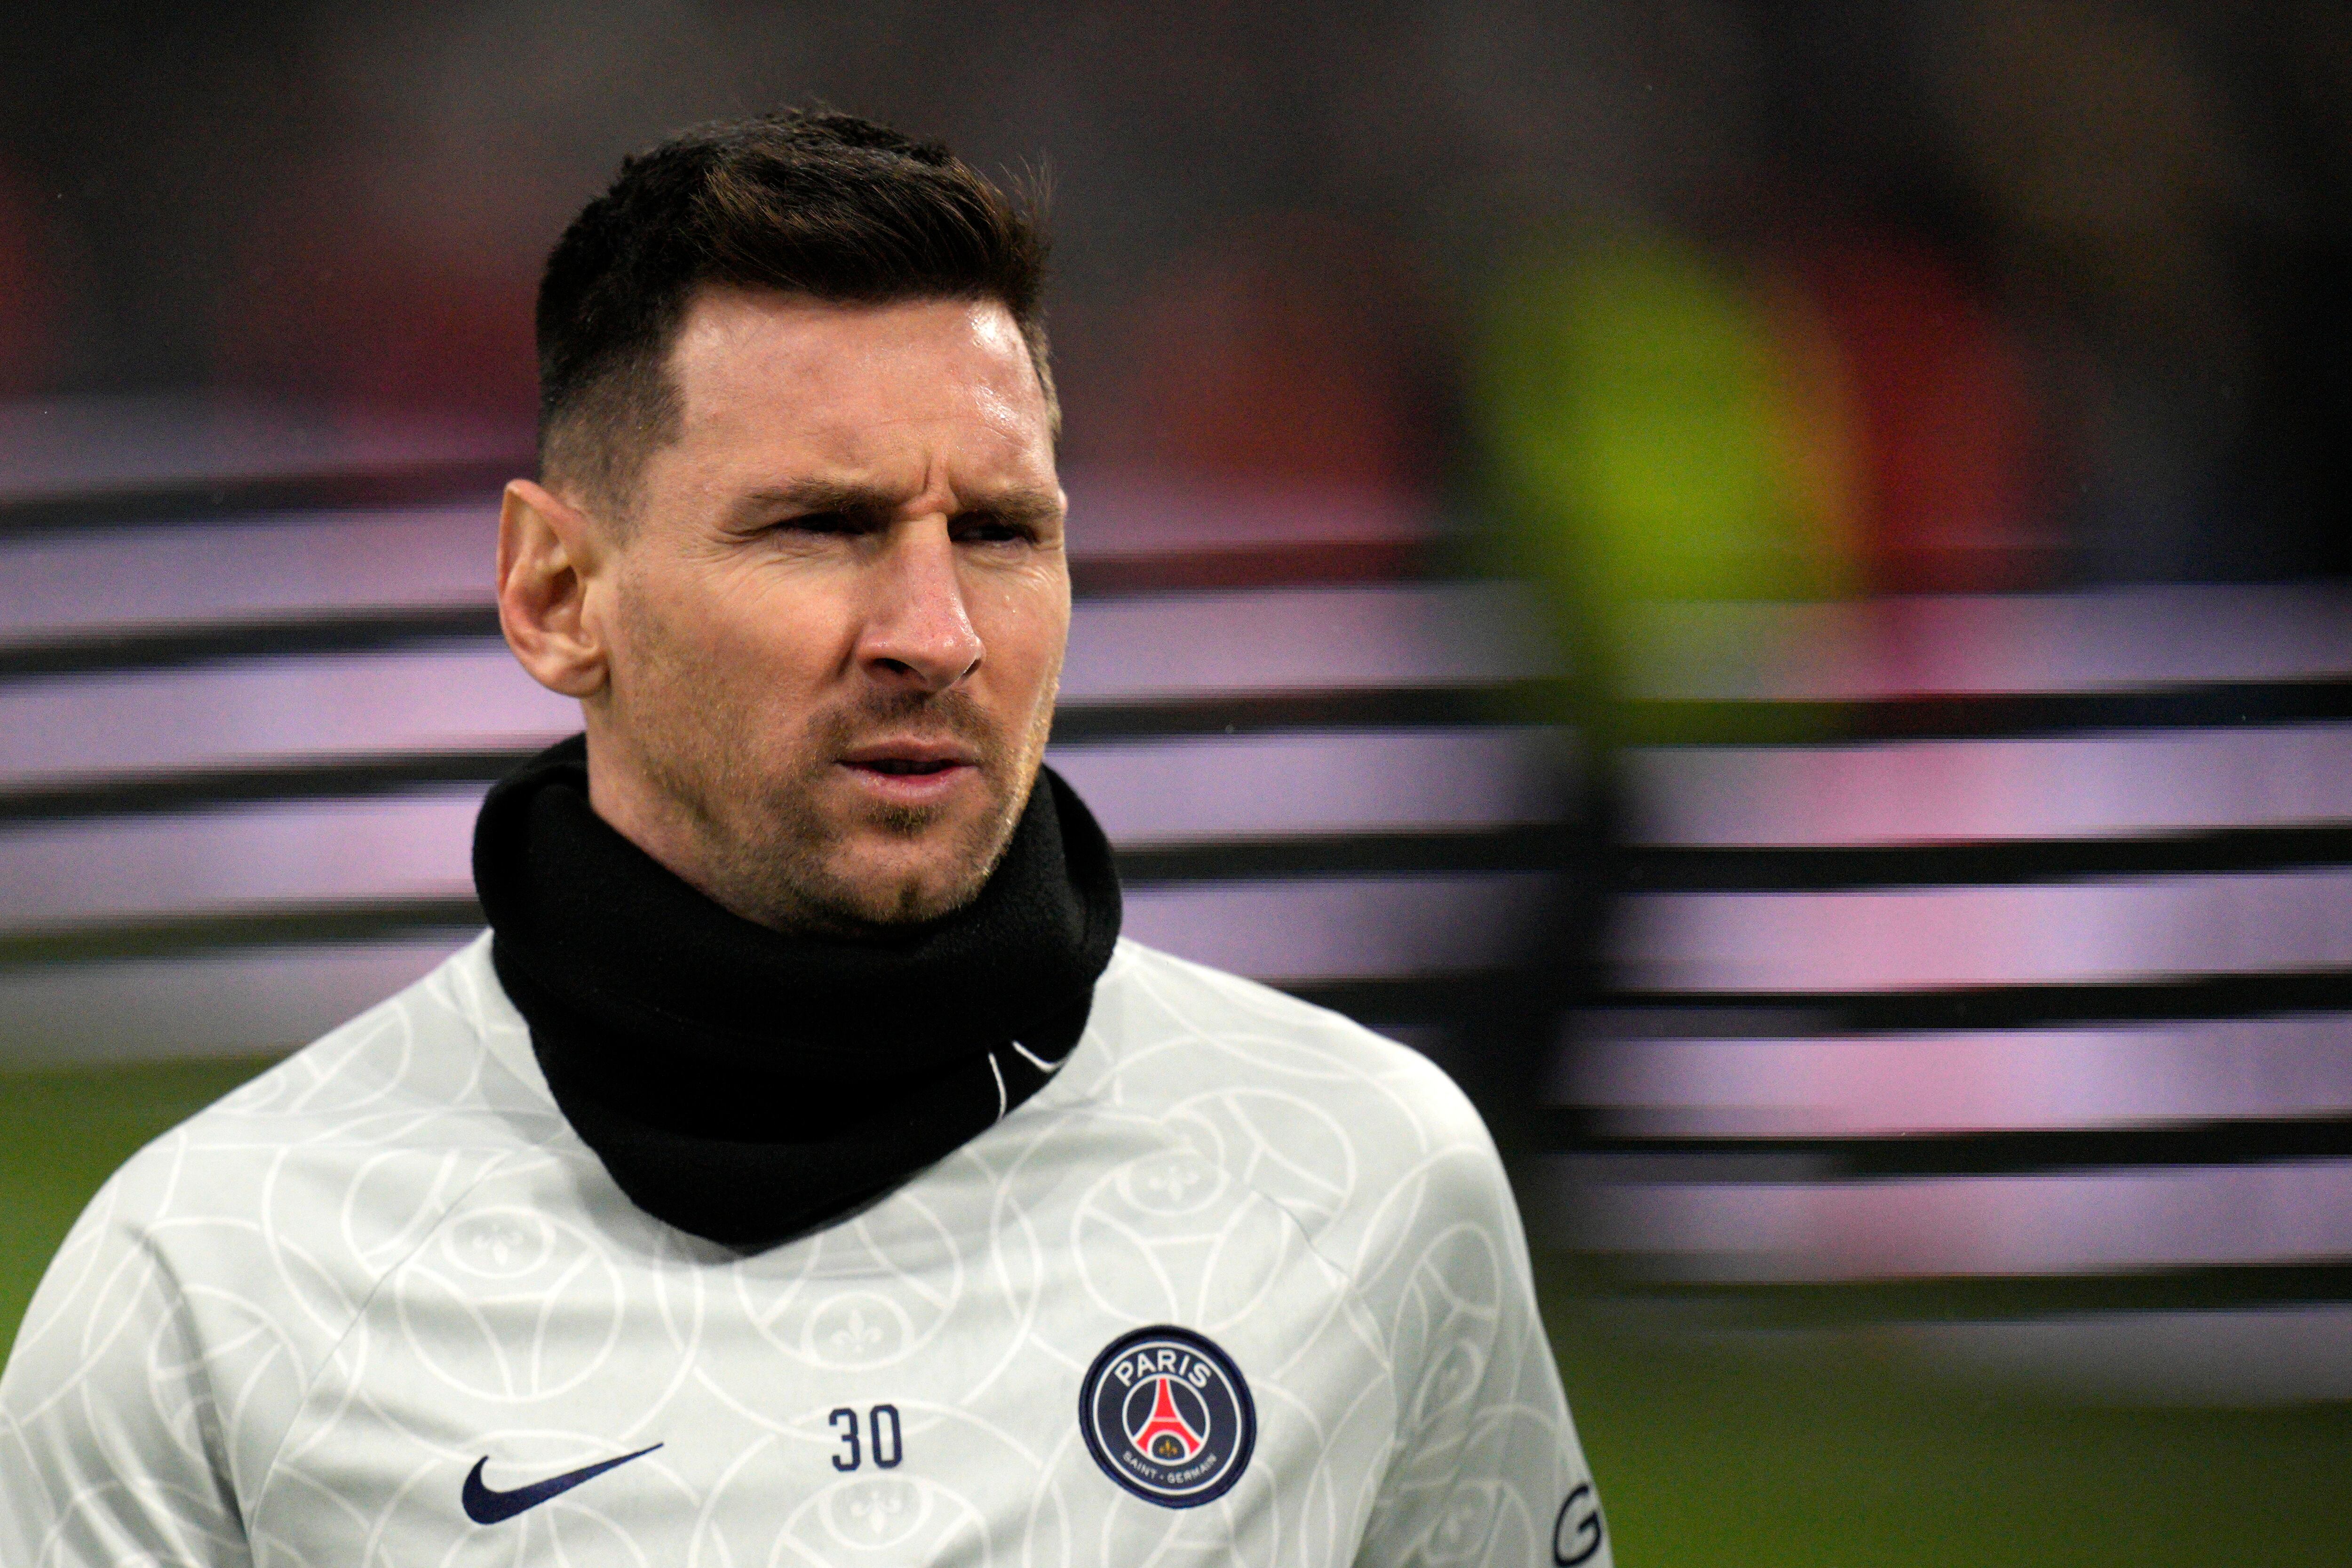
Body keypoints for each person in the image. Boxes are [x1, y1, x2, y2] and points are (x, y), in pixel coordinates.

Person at [0, 111, 1608, 1567]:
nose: (937, 633)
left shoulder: (1366, 1181)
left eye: (997, 531)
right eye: (823, 526)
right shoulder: (214, 1284)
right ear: (559, 597)